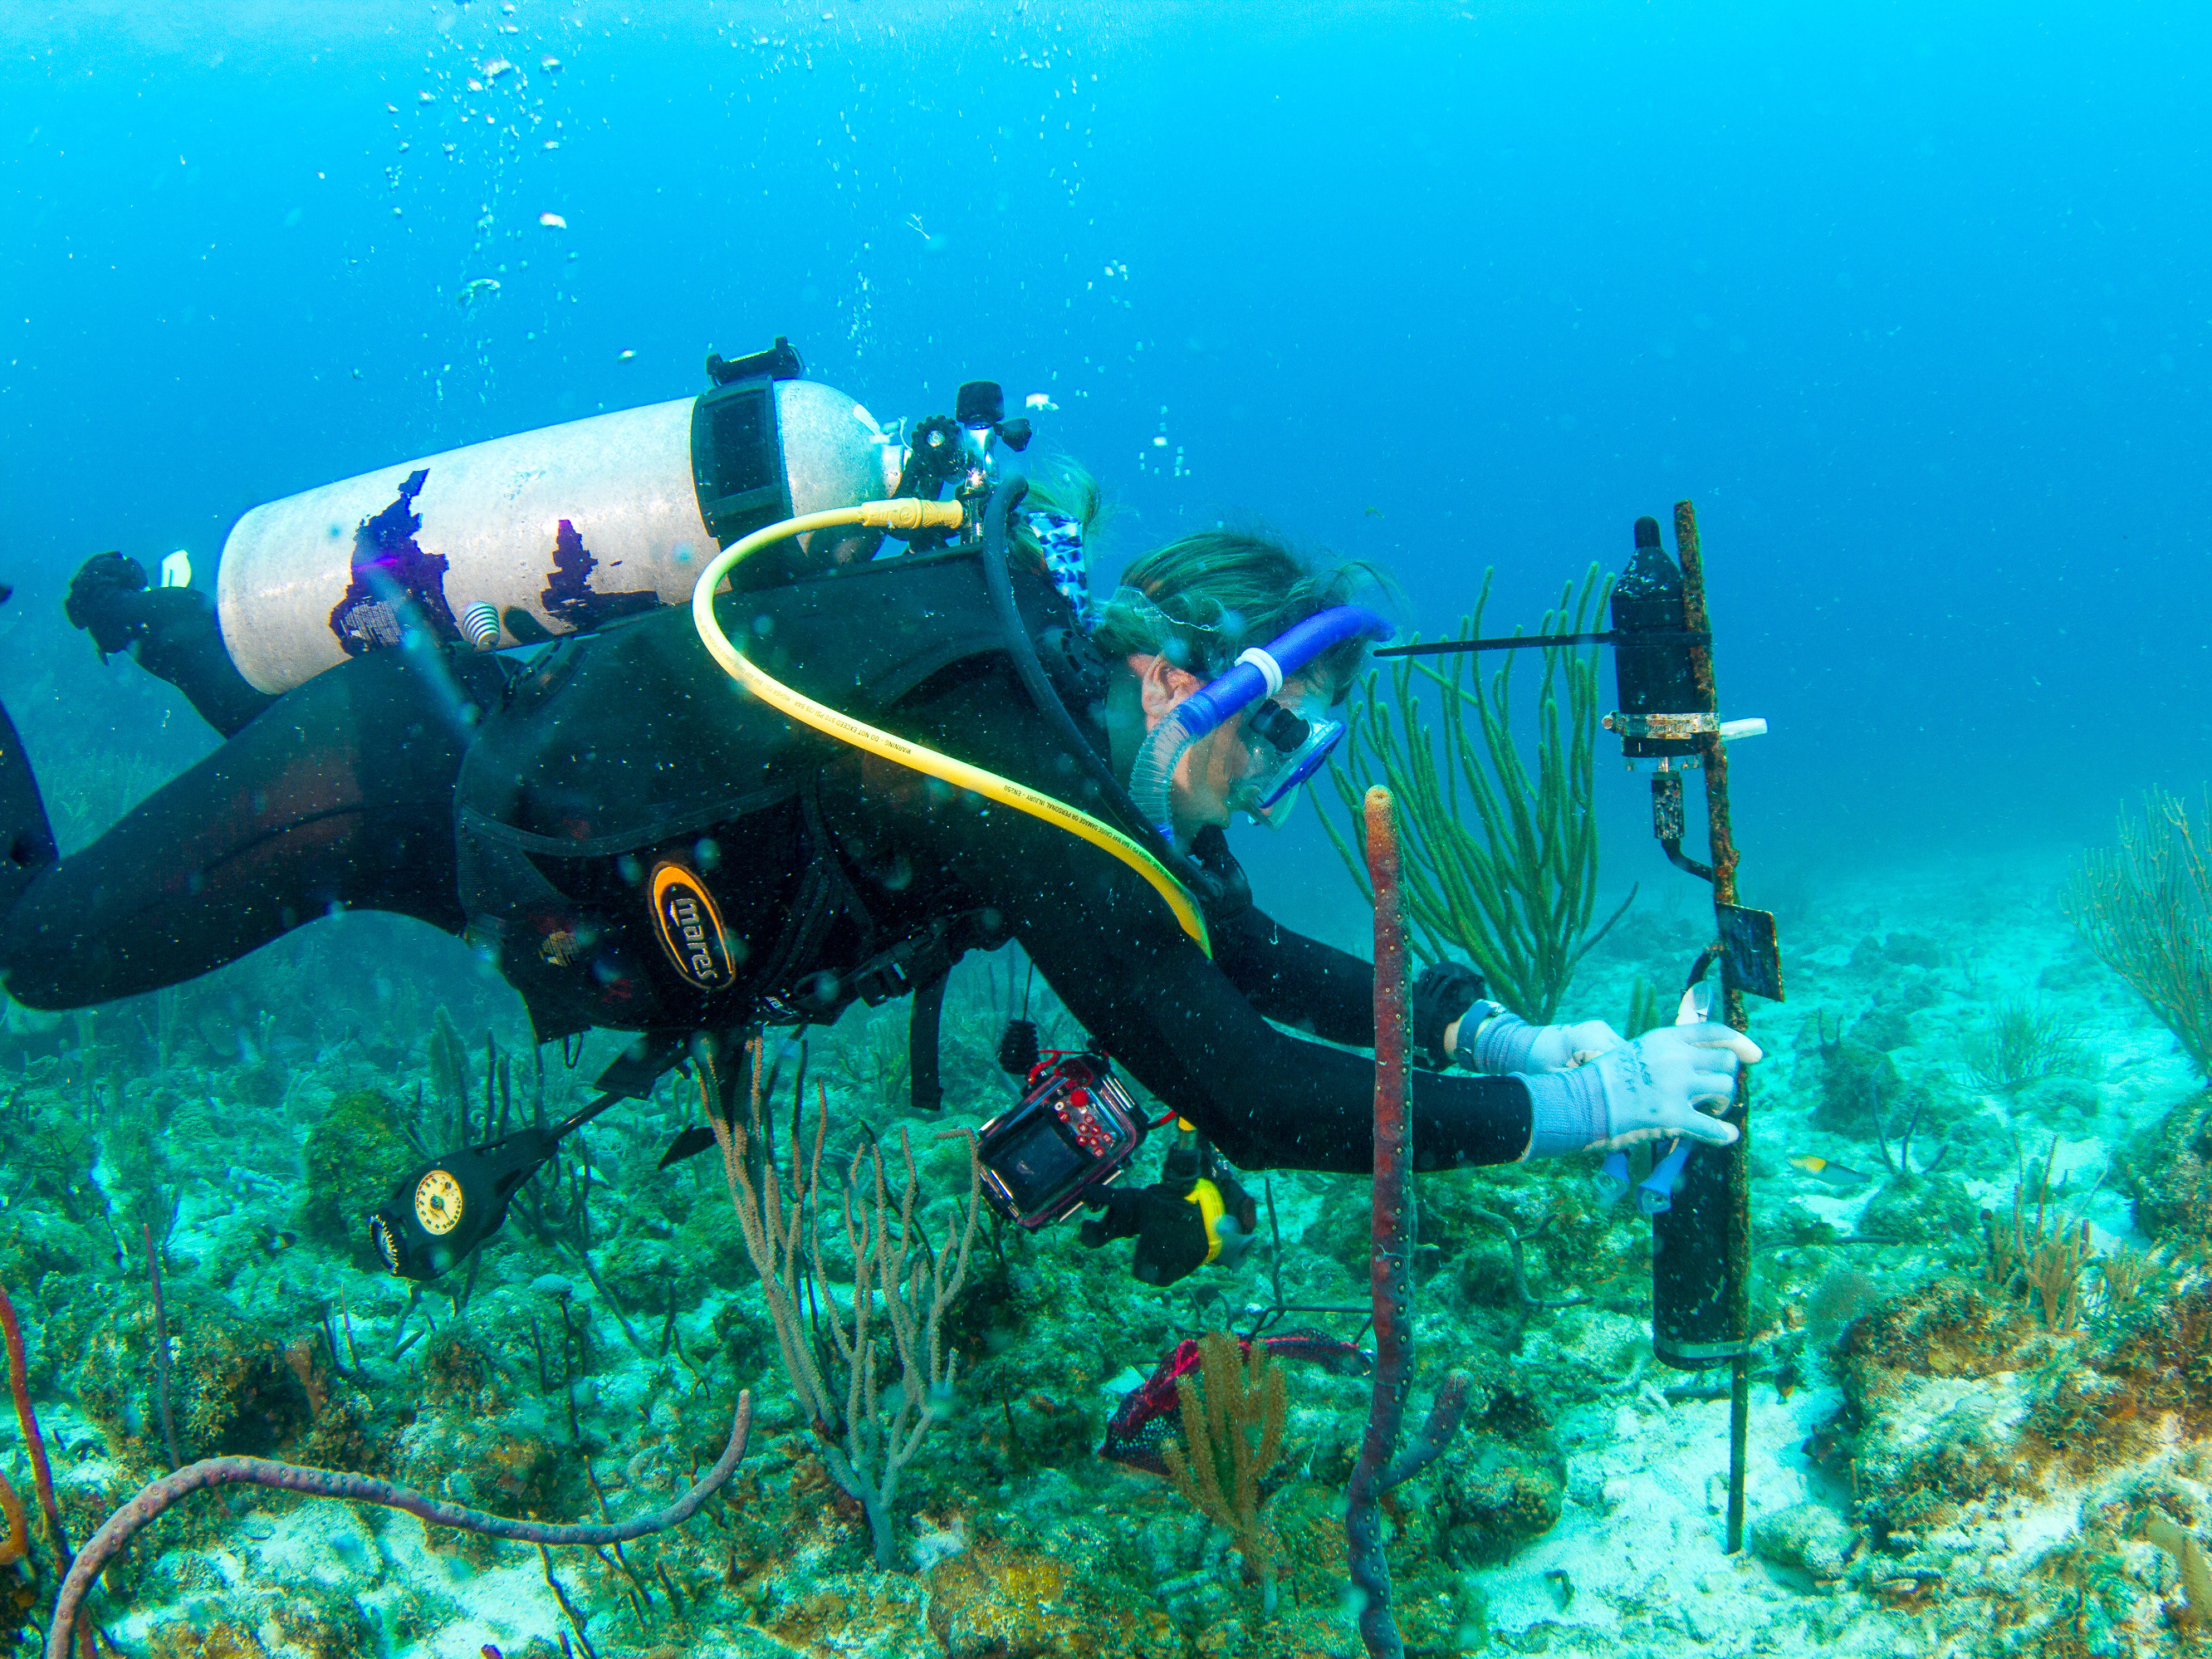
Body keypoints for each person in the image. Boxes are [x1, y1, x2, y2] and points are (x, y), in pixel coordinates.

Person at [0, 464, 1754, 1273]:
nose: (1280, 786)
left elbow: (1254, 963)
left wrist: (1507, 1043)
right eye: (1278, 735)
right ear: (1178, 674)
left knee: (239, 748)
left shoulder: (1076, 746)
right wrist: (1591, 1120)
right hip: (416, 784)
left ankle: (157, 628)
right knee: (42, 949)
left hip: (530, 861)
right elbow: (1241, 1085)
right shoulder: (1010, 761)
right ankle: (165, 630)